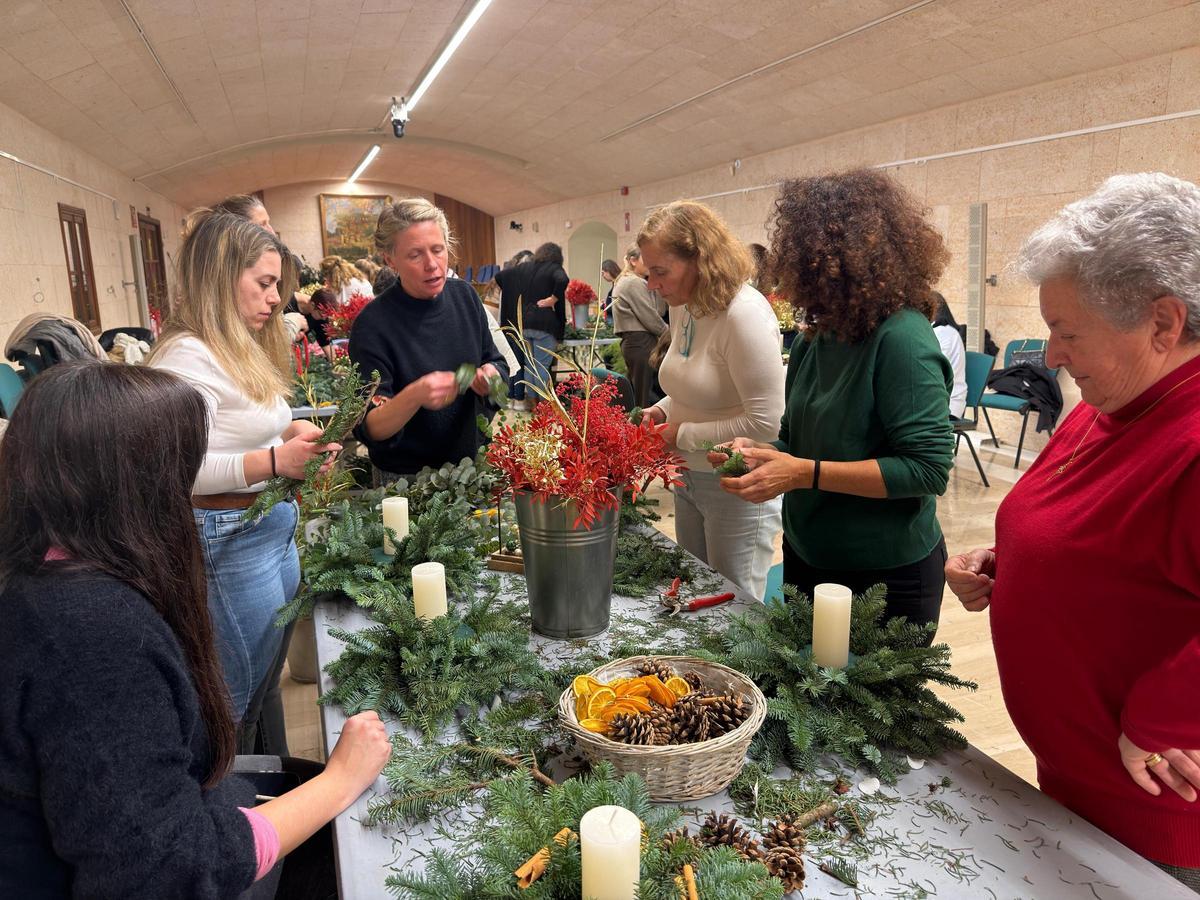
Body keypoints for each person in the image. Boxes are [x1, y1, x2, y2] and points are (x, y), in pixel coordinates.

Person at [0, 360, 391, 898]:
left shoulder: (47, 574)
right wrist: (340, 779)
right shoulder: (91, 634)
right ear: (134, 488)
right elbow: (169, 869)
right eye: (182, 474)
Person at [945, 173, 1200, 893]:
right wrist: (1007, 561)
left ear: (1162, 323)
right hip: (1071, 785)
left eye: (1067, 330)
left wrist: (1158, 721)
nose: (1050, 355)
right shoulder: (1107, 403)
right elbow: (1096, 532)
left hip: (1149, 821)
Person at [714, 170, 953, 630]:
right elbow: (793, 439)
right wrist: (762, 456)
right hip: (808, 555)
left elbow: (927, 469)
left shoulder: (901, 339)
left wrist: (803, 472)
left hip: (884, 576)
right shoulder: (814, 339)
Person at [149, 210, 338, 754]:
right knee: (232, 703)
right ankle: (229, 808)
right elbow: (179, 470)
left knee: (260, 689)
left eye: (277, 285)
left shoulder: (233, 347)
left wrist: (293, 427)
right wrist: (275, 462)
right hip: (228, 540)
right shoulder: (186, 359)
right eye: (265, 283)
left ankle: (266, 804)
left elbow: (248, 424)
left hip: (265, 531)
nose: (276, 298)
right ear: (220, 277)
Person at [638, 201, 784, 600]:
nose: (652, 283)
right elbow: (691, 383)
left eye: (660, 271)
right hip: (688, 474)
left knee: (735, 608)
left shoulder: (744, 315)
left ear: (700, 259)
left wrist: (681, 434)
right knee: (697, 596)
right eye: (647, 271)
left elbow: (765, 423)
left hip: (735, 483)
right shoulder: (684, 304)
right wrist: (661, 410)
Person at [349, 198, 508, 477]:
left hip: (470, 468)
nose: (432, 264)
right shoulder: (373, 325)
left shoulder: (466, 298)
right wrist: (415, 394)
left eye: (438, 249)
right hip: (404, 480)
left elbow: (499, 375)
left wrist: (491, 379)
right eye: (415, 255)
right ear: (390, 259)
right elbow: (368, 426)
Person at [495, 242, 568, 409]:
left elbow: (500, 277)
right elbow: (563, 280)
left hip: (525, 325)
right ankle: (545, 406)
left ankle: (535, 405)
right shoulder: (554, 268)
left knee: (530, 367)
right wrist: (553, 299)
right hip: (545, 326)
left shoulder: (525, 268)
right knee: (541, 367)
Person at [611, 245, 667, 408]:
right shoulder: (632, 282)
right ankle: (643, 432)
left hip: (639, 342)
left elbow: (659, 309)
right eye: (646, 259)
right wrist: (671, 335)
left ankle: (641, 430)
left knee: (641, 393)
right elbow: (650, 317)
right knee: (644, 397)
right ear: (633, 261)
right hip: (640, 341)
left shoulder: (636, 281)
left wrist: (656, 283)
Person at [932, 293, 968, 418]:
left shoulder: (944, 333)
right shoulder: (941, 331)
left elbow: (934, 370)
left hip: (948, 405)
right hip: (941, 399)